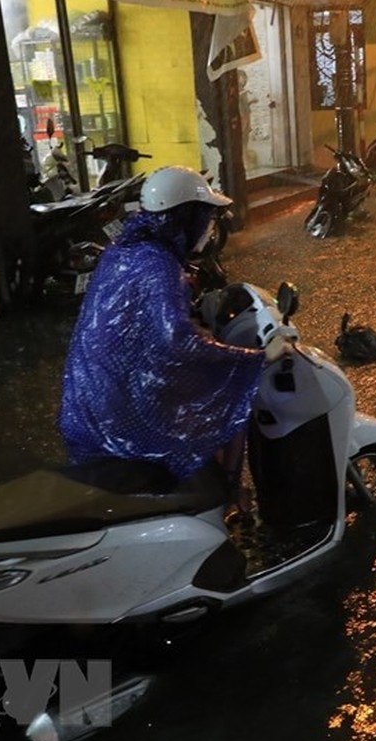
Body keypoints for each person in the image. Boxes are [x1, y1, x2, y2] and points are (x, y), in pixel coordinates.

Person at [58, 165, 286, 520]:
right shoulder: (159, 266)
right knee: (227, 394)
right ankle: (221, 503)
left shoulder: (124, 249)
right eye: (206, 216)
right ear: (185, 217)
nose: (210, 226)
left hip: (88, 398)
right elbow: (178, 344)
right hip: (120, 417)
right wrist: (251, 357)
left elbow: (142, 321)